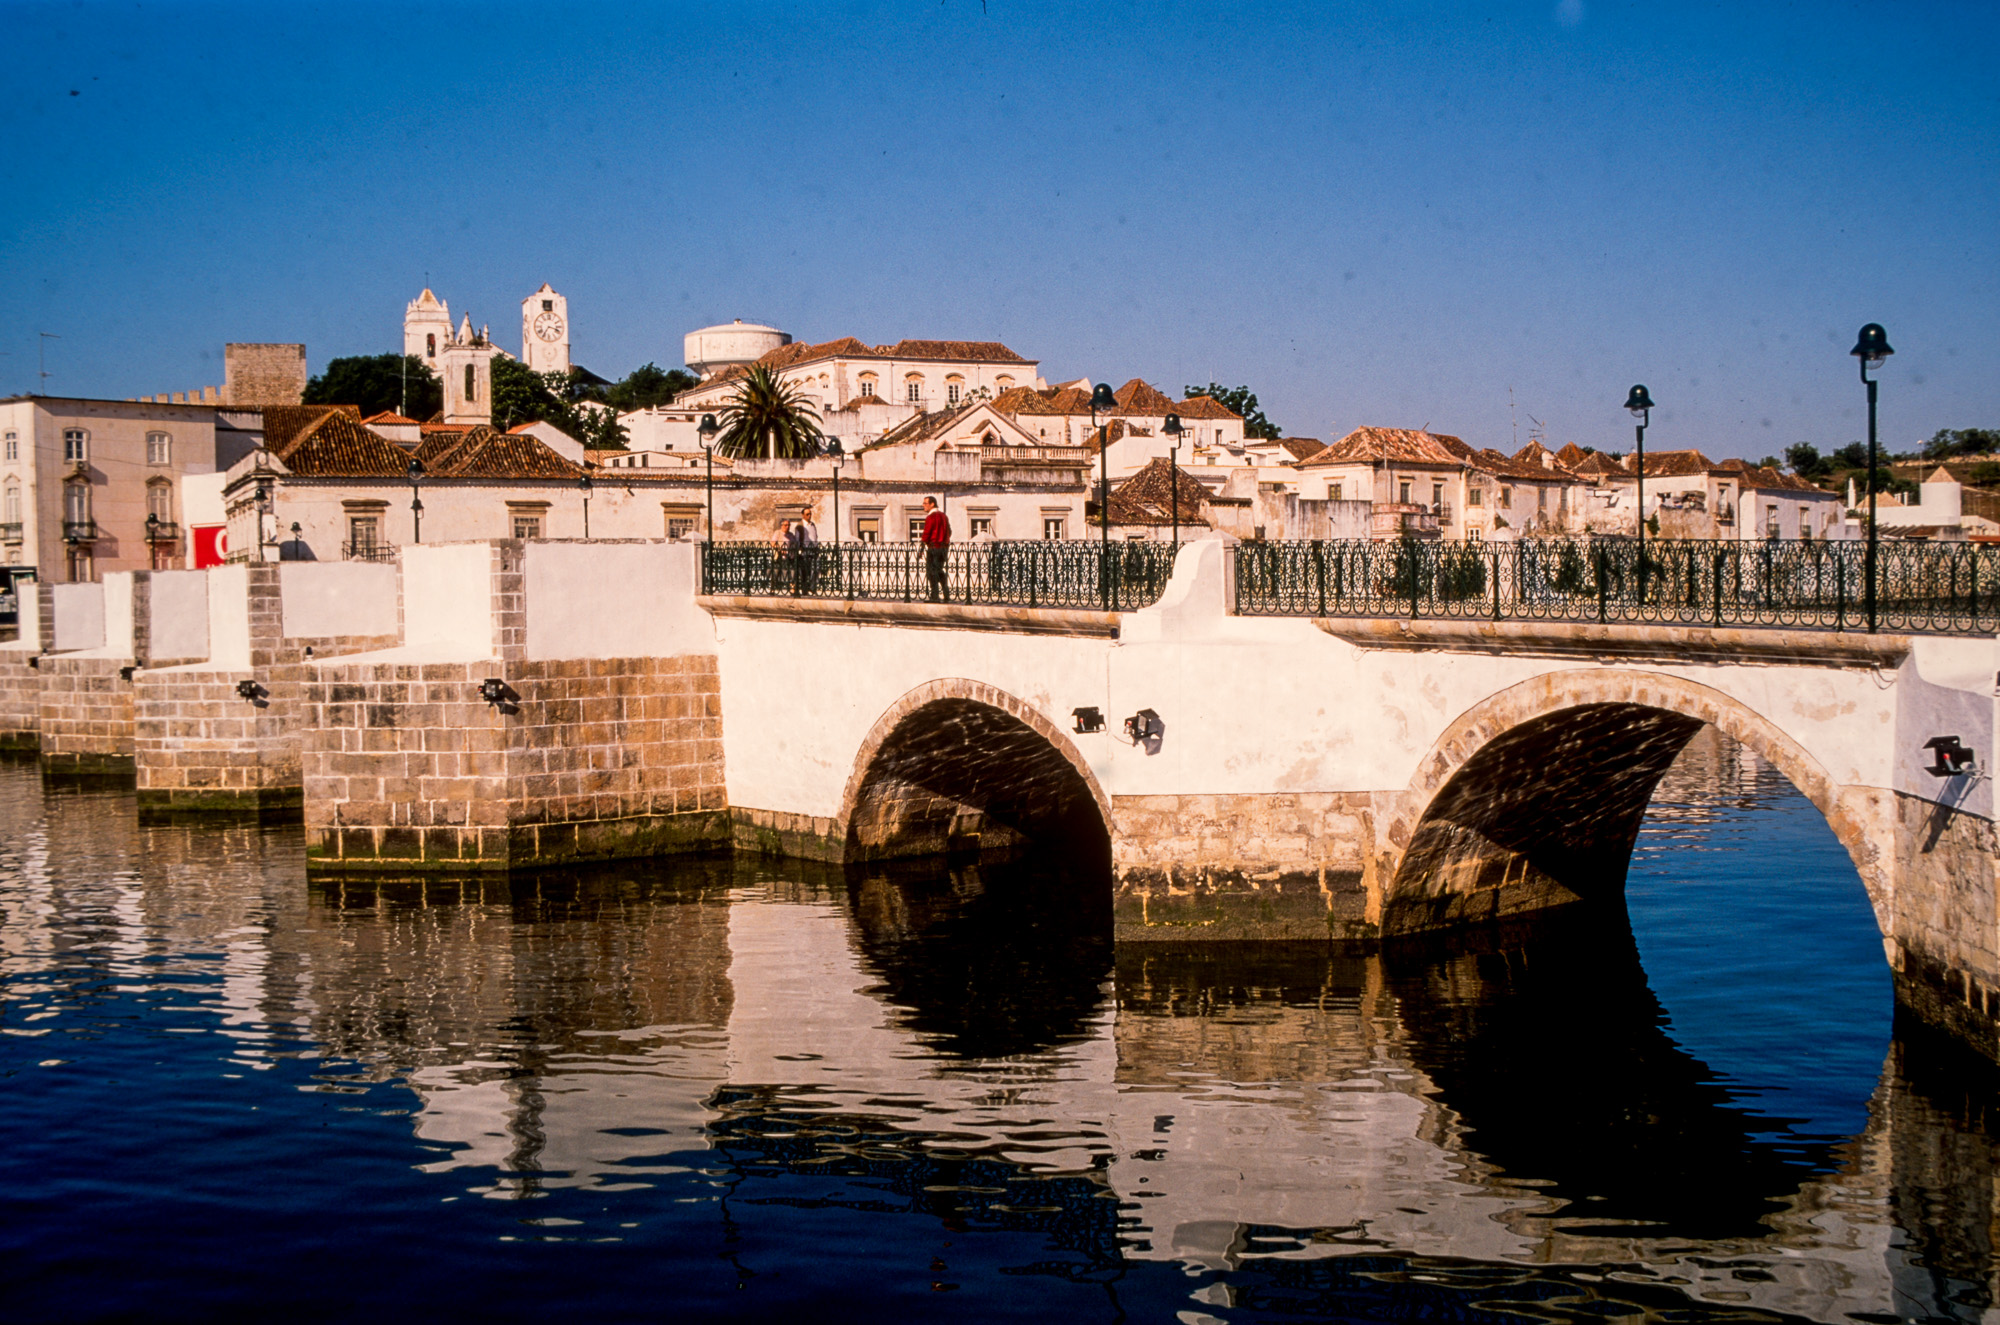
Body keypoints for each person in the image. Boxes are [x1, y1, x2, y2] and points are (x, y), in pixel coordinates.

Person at [920, 495, 950, 603]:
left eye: (925, 503)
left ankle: (935, 595)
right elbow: (949, 531)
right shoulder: (944, 516)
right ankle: (946, 592)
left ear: (932, 504)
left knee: (931, 572)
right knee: (939, 570)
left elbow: (926, 533)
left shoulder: (930, 517)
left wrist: (921, 548)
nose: (923, 505)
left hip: (933, 547)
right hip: (943, 548)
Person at [795, 505, 820, 593]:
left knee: (816, 568)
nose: (809, 516)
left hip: (814, 550)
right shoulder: (799, 526)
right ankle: (805, 589)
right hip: (804, 550)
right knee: (805, 570)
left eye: (810, 514)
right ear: (803, 515)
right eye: (807, 514)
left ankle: (812, 588)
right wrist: (798, 550)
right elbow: (797, 539)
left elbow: (815, 537)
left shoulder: (813, 525)